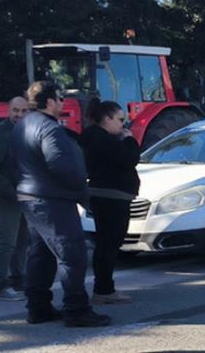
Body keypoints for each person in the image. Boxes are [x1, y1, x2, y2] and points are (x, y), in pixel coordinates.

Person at [13, 81, 110, 326]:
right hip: (52, 199)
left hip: (30, 197)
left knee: (41, 253)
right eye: (59, 98)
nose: (62, 103)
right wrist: (81, 192)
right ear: (49, 102)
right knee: (72, 254)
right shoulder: (50, 128)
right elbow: (63, 166)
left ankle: (38, 307)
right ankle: (76, 310)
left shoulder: (23, 124)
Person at [79, 99, 140, 305]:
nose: (123, 125)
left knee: (107, 243)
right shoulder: (102, 139)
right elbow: (129, 159)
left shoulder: (95, 137)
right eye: (120, 120)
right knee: (110, 243)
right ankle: (104, 289)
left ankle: (104, 288)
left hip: (106, 194)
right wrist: (129, 140)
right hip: (112, 196)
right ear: (107, 119)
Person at [0, 96, 29, 300]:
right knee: (7, 241)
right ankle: (0, 284)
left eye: (24, 111)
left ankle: (18, 279)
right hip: (8, 197)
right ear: (9, 110)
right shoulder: (1, 134)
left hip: (25, 195)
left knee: (22, 240)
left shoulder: (27, 132)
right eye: (16, 110)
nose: (19, 115)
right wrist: (8, 190)